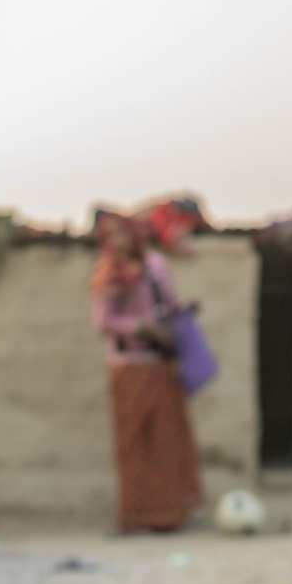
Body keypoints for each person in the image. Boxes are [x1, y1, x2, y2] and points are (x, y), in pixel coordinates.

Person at [92, 211, 203, 533]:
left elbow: (167, 305)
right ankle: (136, 514)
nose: (117, 241)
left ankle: (170, 514)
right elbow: (103, 322)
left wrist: (178, 318)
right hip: (130, 366)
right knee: (135, 442)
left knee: (167, 441)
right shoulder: (109, 272)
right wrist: (141, 328)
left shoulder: (155, 265)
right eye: (110, 236)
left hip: (161, 365)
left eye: (122, 234)